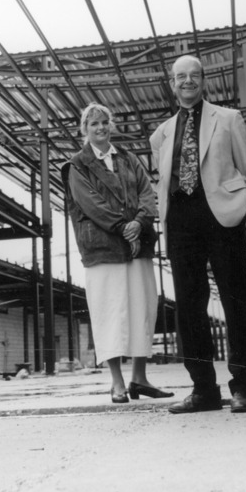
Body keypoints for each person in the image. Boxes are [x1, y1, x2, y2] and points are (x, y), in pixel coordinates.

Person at [150, 54, 246, 414]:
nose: (188, 81)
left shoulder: (228, 119)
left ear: (203, 80)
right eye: (180, 76)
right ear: (172, 84)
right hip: (181, 220)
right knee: (189, 307)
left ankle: (243, 387)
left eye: (194, 75)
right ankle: (203, 390)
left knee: (235, 301)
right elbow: (162, 180)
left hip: (222, 216)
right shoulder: (161, 134)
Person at [66, 103, 170, 403]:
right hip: (103, 249)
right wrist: (125, 227)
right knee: (109, 312)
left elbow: (147, 193)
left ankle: (139, 379)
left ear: (111, 125)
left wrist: (139, 222)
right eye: (93, 124)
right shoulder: (77, 165)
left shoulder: (128, 159)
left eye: (104, 122)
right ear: (85, 129)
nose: (100, 128)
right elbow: (91, 204)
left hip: (138, 245)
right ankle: (117, 382)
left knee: (141, 309)